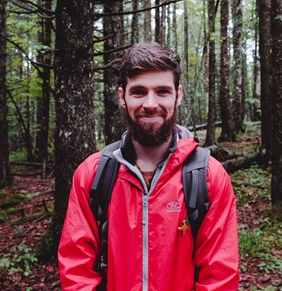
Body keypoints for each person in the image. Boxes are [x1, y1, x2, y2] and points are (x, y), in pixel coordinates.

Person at [58, 41, 240, 290]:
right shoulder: (93, 174)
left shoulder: (208, 176)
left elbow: (219, 276)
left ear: (179, 95)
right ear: (123, 97)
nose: (151, 103)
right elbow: (76, 269)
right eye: (139, 91)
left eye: (163, 91)